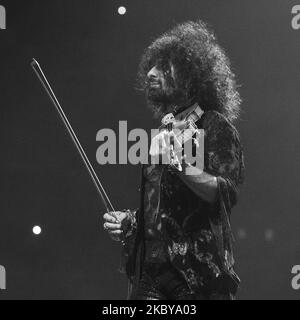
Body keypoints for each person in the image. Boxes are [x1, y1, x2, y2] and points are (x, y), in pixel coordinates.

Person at [103, 20, 245, 300]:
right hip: (150, 275)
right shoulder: (163, 133)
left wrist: (178, 165)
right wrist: (132, 223)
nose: (151, 74)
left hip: (194, 278)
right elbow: (163, 209)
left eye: (163, 68)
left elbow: (226, 193)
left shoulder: (214, 125)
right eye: (151, 68)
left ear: (191, 77)